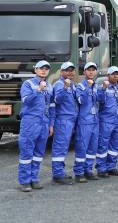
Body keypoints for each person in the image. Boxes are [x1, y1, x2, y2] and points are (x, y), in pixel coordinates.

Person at [18, 60, 53, 192]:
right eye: (41, 68)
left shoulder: (49, 86)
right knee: (27, 151)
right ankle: (25, 181)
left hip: (44, 122)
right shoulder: (28, 84)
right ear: (35, 70)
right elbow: (26, 100)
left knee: (38, 153)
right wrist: (38, 90)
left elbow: (51, 107)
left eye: (46, 68)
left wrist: (51, 124)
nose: (43, 70)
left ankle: (34, 179)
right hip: (30, 122)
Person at [50, 61, 77, 185]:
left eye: (71, 70)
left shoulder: (72, 84)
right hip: (63, 120)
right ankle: (58, 175)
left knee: (64, 147)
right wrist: (65, 88)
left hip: (70, 120)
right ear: (61, 72)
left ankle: (60, 171)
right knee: (60, 147)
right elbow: (58, 100)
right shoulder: (60, 84)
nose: (70, 72)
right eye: (67, 70)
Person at [96, 66, 118, 177]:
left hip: (117, 120)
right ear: (108, 75)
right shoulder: (103, 87)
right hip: (106, 120)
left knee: (115, 145)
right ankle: (101, 168)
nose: (115, 76)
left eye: (117, 74)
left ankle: (111, 166)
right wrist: (103, 88)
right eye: (113, 74)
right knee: (103, 144)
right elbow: (99, 100)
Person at [74, 62, 100, 182]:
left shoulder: (96, 85)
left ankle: (88, 170)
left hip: (95, 121)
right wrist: (88, 88)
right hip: (85, 122)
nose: (91, 72)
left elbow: (100, 101)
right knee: (82, 147)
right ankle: (79, 173)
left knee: (92, 148)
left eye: (93, 70)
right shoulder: (81, 86)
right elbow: (81, 101)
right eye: (88, 70)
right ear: (84, 72)